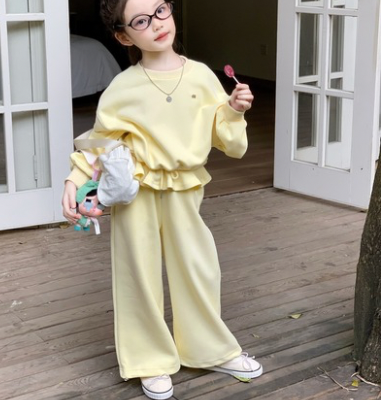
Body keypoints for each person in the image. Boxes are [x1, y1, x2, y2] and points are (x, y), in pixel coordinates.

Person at [62, 0, 263, 398]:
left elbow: (225, 138)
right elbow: (100, 142)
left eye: (160, 10)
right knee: (138, 272)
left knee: (198, 267)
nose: (156, 23)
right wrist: (75, 180)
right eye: (140, 20)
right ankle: (149, 360)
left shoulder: (201, 75)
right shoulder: (122, 87)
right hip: (136, 192)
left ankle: (210, 349)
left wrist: (234, 110)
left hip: (185, 189)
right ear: (124, 37)